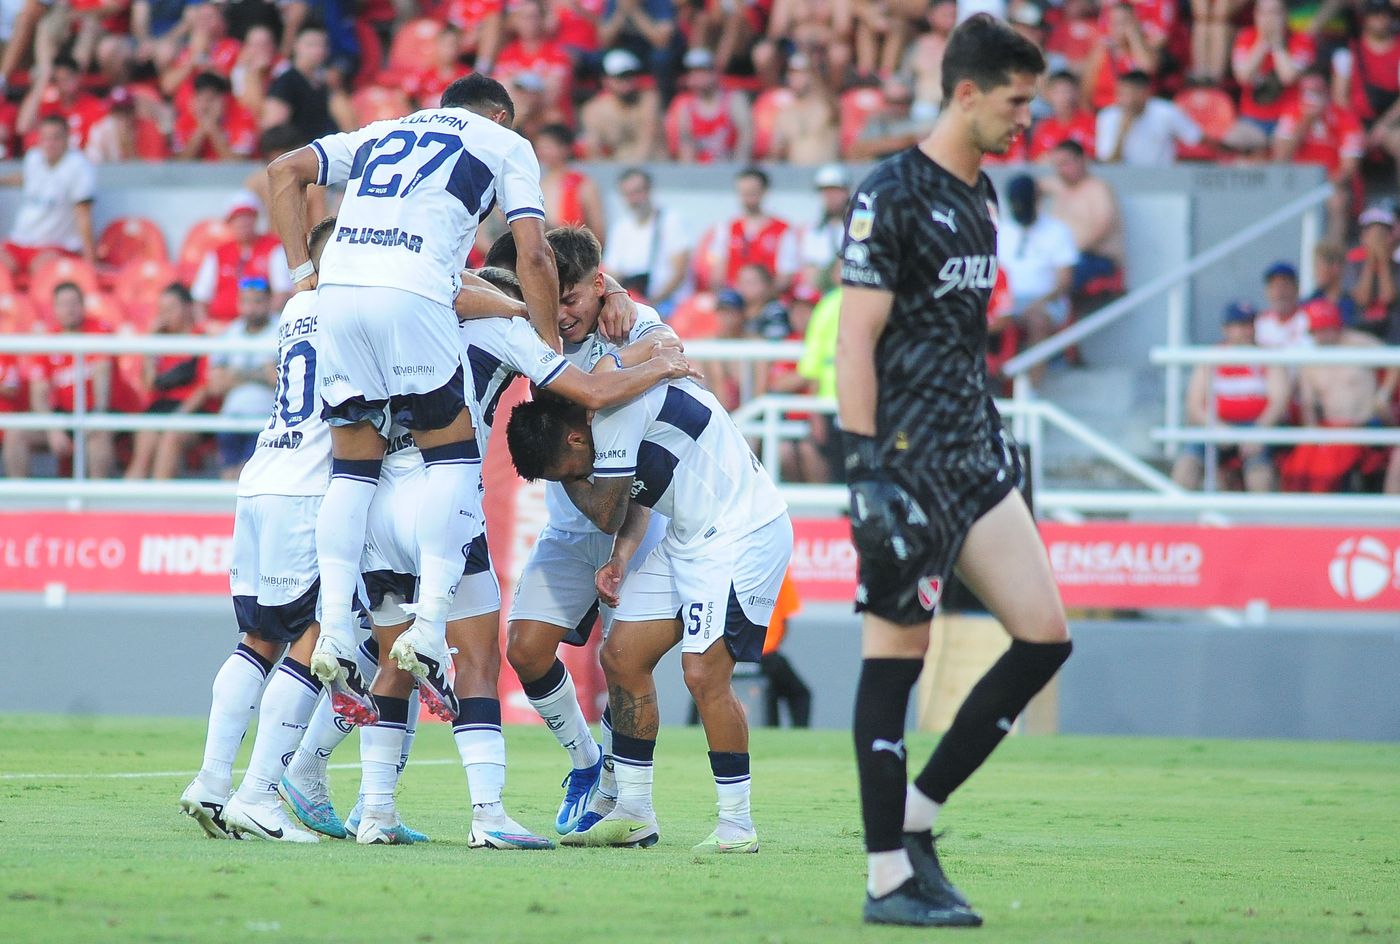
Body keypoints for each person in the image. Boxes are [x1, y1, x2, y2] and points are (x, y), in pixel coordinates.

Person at [836, 14, 1071, 927]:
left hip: (975, 454)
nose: (1028, 121)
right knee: (896, 656)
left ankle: (917, 818)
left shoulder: (985, 197)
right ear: (966, 92)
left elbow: (958, 338)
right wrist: (864, 472)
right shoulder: (890, 191)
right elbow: (857, 336)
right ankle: (887, 876)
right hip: (903, 460)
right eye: (1017, 102)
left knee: (1046, 635)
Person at [266, 73, 561, 733]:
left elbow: (284, 170)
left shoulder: (383, 130)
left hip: (338, 292)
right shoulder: (504, 143)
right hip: (415, 295)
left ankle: (338, 628)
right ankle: (429, 626)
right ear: (500, 114)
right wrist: (546, 350)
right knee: (451, 460)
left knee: (353, 469)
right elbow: (534, 253)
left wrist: (304, 280)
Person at [506, 357, 794, 856]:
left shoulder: (612, 415)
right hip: (688, 535)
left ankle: (736, 823)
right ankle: (634, 811)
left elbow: (607, 510)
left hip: (742, 534)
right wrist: (620, 557)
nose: (574, 481)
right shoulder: (602, 421)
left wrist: (581, 488)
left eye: (567, 474)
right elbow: (634, 501)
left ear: (575, 440)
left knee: (704, 674)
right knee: (621, 656)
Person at [503, 226, 685, 838]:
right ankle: (586, 761)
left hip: (635, 522)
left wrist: (629, 316)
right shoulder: (536, 327)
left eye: (574, 299)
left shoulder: (627, 320)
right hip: (569, 522)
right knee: (525, 650)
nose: (562, 314)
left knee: (623, 664)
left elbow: (674, 346)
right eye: (552, 298)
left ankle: (621, 794)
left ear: (598, 288)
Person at [179, 218, 338, 844]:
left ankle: (212, 783)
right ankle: (260, 796)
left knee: (257, 639)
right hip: (306, 488)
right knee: (320, 632)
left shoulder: (297, 307)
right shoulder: (349, 313)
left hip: (262, 474)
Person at [5, 282, 132, 479]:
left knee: (98, 435)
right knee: (15, 432)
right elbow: (39, 394)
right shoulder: (49, 341)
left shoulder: (98, 330)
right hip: (64, 414)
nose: (69, 309)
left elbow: (102, 383)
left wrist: (95, 416)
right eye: (63, 304)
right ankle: (23, 505)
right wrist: (52, 428)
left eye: (74, 303)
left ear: (82, 305)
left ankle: (98, 505)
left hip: (99, 411)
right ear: (54, 309)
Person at [1171, 301, 1291, 493]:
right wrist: (1216, 428)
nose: (1246, 330)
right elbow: (1194, 405)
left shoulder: (1268, 357)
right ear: (1226, 329)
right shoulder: (1211, 358)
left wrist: (1259, 431)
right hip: (1217, 425)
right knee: (1186, 466)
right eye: (1240, 325)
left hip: (1256, 426)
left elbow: (1279, 401)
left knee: (1260, 475)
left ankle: (1262, 522)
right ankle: (1178, 521)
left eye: (1250, 324)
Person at [1281, 299, 1397, 492]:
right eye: (1317, 330)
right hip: (1329, 430)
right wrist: (1312, 434)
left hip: (1364, 426)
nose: (1322, 335)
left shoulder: (1360, 343)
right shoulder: (1310, 359)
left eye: (1326, 329)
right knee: (1299, 465)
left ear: (1336, 326)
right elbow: (1309, 405)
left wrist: (1383, 396)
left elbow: (1394, 362)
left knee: (1331, 464)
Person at [125, 284, 213, 481]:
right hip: (160, 407)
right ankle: (124, 508)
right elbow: (148, 385)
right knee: (145, 444)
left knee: (170, 439)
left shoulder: (202, 338)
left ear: (188, 307)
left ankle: (159, 505)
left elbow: (204, 387)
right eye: (162, 309)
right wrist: (151, 345)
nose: (165, 315)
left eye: (171, 308)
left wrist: (179, 416)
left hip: (190, 410)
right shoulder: (158, 342)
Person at [997, 174, 1079, 384]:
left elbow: (1064, 281)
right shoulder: (999, 230)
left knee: (1038, 320)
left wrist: (1037, 303)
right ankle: (993, 383)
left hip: (1046, 301)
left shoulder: (1057, 231)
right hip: (1006, 300)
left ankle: (1029, 390)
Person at [1274, 69, 1363, 245]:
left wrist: (1323, 186)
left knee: (1338, 200)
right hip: (1296, 180)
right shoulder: (1292, 113)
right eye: (1307, 91)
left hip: (1331, 183)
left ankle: (1331, 256)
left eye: (1316, 91)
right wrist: (1305, 123)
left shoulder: (1345, 117)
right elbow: (1280, 158)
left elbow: (1348, 169)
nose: (1311, 97)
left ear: (1327, 92)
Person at [0, 114, 97, 275]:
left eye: (55, 138)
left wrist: (91, 262)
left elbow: (84, 216)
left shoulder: (79, 167)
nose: (50, 144)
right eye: (45, 138)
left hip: (55, 246)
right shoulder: (34, 158)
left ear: (68, 138)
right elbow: (27, 179)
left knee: (45, 272)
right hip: (20, 241)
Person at [207, 277, 278, 481]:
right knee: (228, 476)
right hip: (231, 417)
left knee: (250, 478)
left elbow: (283, 382)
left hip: (265, 420)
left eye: (258, 301)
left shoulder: (282, 329)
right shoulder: (230, 333)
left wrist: (238, 375)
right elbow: (216, 386)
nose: (251, 308)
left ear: (269, 302)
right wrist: (261, 374)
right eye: (246, 301)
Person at [1225, 0, 1313, 153]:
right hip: (1252, 118)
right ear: (1255, 15)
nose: (1268, 18)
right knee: (1232, 140)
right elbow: (1243, 77)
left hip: (1288, 116)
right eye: (1262, 13)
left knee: (1284, 141)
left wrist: (1277, 44)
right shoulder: (1246, 37)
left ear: (1284, 16)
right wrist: (1262, 44)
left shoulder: (1301, 40)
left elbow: (1288, 77)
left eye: (1274, 13)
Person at [1040, 140, 1125, 298]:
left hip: (1097, 259)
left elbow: (1103, 227)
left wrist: (1069, 253)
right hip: (1065, 259)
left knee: (1061, 278)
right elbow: (1028, 190)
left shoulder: (1098, 189)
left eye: (1066, 163)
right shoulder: (1056, 186)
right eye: (1057, 165)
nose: (1061, 170)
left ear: (1083, 160)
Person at [602, 166, 691, 313]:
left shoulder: (671, 221)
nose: (634, 200)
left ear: (649, 190)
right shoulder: (620, 228)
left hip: (669, 304)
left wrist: (652, 302)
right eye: (628, 194)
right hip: (632, 302)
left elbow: (679, 272)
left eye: (638, 192)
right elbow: (611, 273)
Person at [190, 197, 291, 323]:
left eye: (247, 216)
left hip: (260, 327)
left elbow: (282, 292)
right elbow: (200, 299)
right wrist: (206, 326)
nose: (242, 222)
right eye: (236, 218)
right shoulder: (217, 253)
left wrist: (261, 325)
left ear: (256, 218)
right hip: (221, 329)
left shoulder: (274, 248)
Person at [704, 166, 798, 294]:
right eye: (743, 192)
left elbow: (785, 277)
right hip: (734, 302)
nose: (747, 198)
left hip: (769, 300)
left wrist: (759, 298)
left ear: (764, 192)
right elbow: (717, 274)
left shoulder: (783, 230)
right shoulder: (726, 228)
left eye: (752, 192)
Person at [1096, 70, 1202, 167]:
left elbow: (1195, 137)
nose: (1124, 100)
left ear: (1145, 93)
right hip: (1125, 180)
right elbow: (1107, 164)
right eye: (1121, 94)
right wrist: (1122, 134)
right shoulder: (1108, 117)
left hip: (1161, 179)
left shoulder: (1166, 112)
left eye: (1129, 94)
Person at [578, 48, 662, 162]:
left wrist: (635, 167)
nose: (627, 81)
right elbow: (593, 147)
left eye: (630, 75)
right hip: (617, 165)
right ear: (606, 80)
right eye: (620, 77)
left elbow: (648, 136)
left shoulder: (648, 100)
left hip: (653, 163)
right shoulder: (594, 109)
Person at [671, 47, 751, 164]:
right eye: (692, 71)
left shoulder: (734, 100)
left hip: (730, 168)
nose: (697, 76)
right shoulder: (686, 107)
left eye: (702, 70)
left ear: (714, 71)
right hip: (702, 174)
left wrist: (738, 168)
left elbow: (746, 137)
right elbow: (687, 148)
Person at [263, 26, 345, 138]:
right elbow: (274, 129)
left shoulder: (326, 83)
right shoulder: (286, 81)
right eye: (311, 45)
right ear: (296, 46)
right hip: (301, 149)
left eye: (323, 45)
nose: (318, 50)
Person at [534, 123, 606, 239]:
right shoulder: (538, 184)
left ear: (564, 148)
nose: (542, 152)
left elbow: (598, 229)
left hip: (576, 250)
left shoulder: (583, 184)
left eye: (547, 147)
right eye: (539, 147)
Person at [758, 573, 811, 726]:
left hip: (729, 652)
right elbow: (785, 618)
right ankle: (799, 735)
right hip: (766, 653)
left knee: (709, 690)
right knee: (800, 694)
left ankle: (693, 727)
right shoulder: (779, 567)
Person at [769, 52, 838, 166]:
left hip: (824, 173)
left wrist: (815, 73)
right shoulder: (784, 113)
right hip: (797, 174)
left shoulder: (827, 106)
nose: (796, 78)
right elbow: (777, 149)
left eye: (802, 73)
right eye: (792, 73)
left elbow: (834, 108)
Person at [173, 71, 259, 161]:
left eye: (211, 99)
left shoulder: (242, 118)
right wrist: (201, 130)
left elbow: (238, 163)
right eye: (200, 99)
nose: (205, 105)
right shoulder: (184, 121)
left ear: (223, 100)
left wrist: (213, 129)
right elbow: (180, 162)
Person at [1344, 205, 1400, 341]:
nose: (1376, 239)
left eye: (1381, 233)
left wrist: (1382, 259)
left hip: (1392, 331)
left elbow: (1387, 297)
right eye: (1371, 233)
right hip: (1361, 329)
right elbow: (1362, 298)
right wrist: (1370, 259)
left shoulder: (1397, 267)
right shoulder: (1352, 267)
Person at [798, 164, 850, 292]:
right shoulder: (813, 230)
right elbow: (810, 271)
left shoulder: (857, 227)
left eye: (836, 191)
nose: (831, 197)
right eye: (826, 192)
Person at [1028, 71, 1095, 160]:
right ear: (1048, 95)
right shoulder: (1043, 127)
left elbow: (1095, 158)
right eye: (1058, 92)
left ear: (1076, 93)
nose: (1063, 97)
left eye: (1067, 91)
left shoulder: (1091, 122)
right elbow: (1036, 160)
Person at [1254, 261, 1310, 349]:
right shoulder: (1260, 322)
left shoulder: (1309, 319)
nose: (1279, 293)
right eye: (1274, 287)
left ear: (1296, 289)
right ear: (1267, 291)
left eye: (1285, 286)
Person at [1310, 239, 1361, 329]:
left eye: (1320, 265)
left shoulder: (1354, 303)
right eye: (1316, 265)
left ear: (1337, 267)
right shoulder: (1308, 304)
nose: (1316, 271)